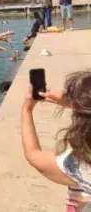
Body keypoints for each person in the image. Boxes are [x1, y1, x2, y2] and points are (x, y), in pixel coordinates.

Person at [21, 70, 91, 211]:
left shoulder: (83, 166)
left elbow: (34, 156)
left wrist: (26, 109)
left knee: (82, 203)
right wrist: (75, 104)